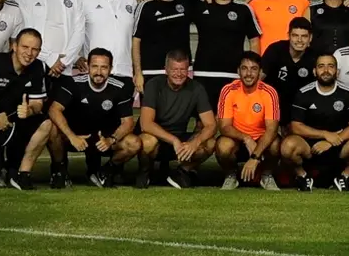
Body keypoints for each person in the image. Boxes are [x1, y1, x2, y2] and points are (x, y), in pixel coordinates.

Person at [0, 29, 50, 191]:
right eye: (25, 47)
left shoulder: (39, 67)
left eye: (35, 49)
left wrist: (30, 110)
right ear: (14, 46)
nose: (29, 53)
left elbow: (37, 103)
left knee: (46, 124)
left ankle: (21, 175)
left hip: (10, 123)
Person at [47, 48, 140, 188]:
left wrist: (111, 140)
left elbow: (128, 122)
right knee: (52, 128)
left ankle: (105, 171)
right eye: (94, 66)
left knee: (134, 143)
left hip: (103, 140)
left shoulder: (120, 88)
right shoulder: (74, 83)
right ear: (87, 67)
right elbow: (54, 110)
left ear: (110, 69)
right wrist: (72, 136)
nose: (99, 72)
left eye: (104, 67)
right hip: (76, 138)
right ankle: (59, 171)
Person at [281, 54, 349, 192]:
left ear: (337, 71)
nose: (326, 70)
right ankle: (303, 177)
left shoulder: (348, 93)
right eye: (321, 66)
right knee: (287, 146)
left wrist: (330, 141)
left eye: (331, 66)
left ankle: (344, 177)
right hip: (310, 146)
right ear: (314, 71)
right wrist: (324, 134)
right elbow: (296, 127)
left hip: (340, 143)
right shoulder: (303, 93)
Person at [136, 49, 217, 189]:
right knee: (147, 141)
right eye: (174, 69)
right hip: (158, 138)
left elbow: (211, 125)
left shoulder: (196, 88)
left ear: (188, 70)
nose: (178, 74)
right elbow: (146, 124)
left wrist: (195, 142)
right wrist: (174, 140)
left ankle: (181, 172)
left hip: (180, 140)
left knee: (209, 143)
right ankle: (145, 171)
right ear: (166, 70)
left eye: (182, 69)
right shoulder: (154, 85)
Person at [191, 0, 262, 110]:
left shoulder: (244, 9)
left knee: (233, 123)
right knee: (201, 124)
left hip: (234, 76)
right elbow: (176, 1)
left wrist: (252, 70)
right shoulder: (200, 6)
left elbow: (254, 40)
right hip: (204, 74)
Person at [215, 51, 281, 191]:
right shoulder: (228, 90)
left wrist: (254, 158)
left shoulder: (269, 92)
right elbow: (224, 127)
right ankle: (231, 176)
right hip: (237, 139)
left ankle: (266, 176)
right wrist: (246, 138)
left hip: (261, 140)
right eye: (244, 68)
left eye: (253, 69)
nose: (249, 73)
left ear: (260, 72)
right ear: (238, 71)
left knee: (275, 144)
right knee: (222, 146)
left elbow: (272, 129)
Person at [15, 0, 84, 79]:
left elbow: (79, 32)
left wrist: (64, 61)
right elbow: (25, 33)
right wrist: (50, 58)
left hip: (64, 68)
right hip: (34, 62)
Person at [131, 0, 195, 93]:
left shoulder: (187, 1)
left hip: (179, 73)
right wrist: (138, 73)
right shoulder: (145, 6)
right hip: (152, 72)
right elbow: (136, 40)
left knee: (180, 112)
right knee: (151, 112)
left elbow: (212, 1)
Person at [78, 0, 137, 82]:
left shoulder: (131, 1)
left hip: (124, 72)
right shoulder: (84, 0)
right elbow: (72, 32)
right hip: (95, 72)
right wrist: (75, 57)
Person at [261, 17, 318, 130]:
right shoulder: (275, 49)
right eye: (295, 35)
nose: (299, 40)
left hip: (299, 107)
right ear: (289, 36)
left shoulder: (315, 57)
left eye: (304, 36)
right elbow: (259, 78)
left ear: (310, 38)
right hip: (273, 104)